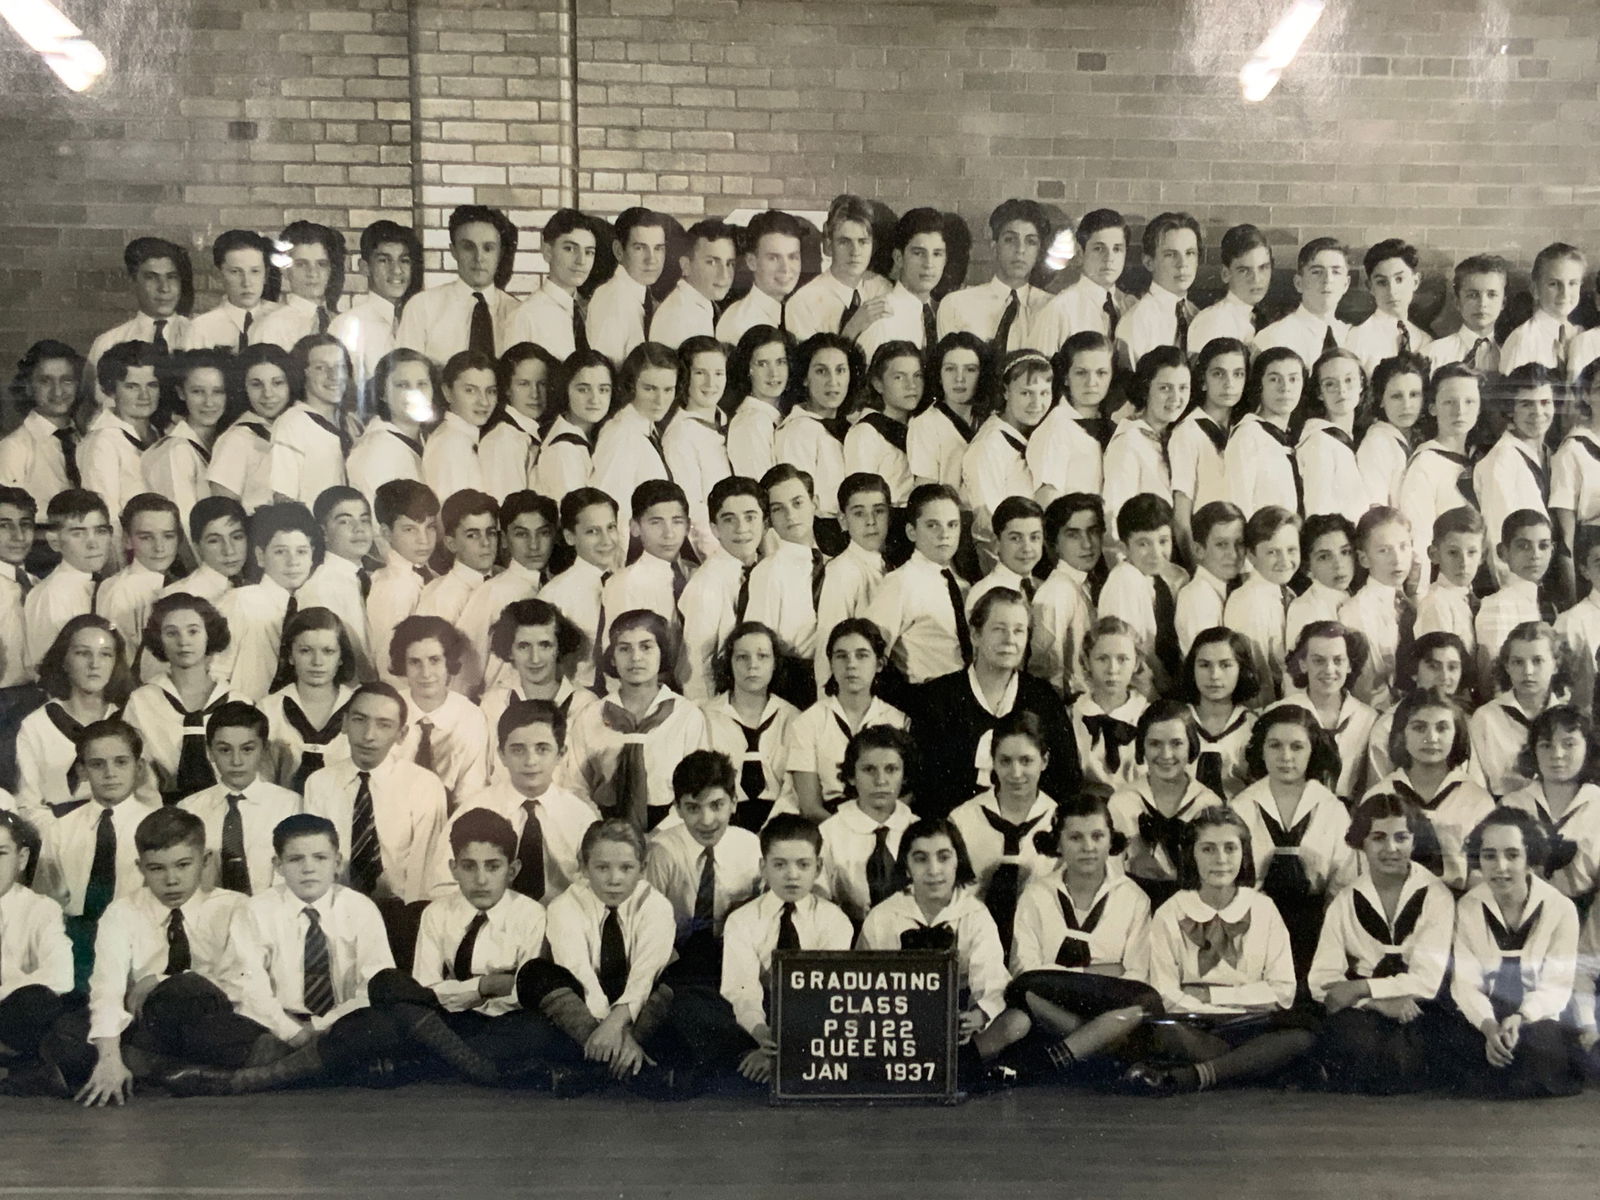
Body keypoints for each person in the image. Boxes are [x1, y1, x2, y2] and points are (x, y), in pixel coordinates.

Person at [44, 808, 250, 1107]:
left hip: (208, 1021)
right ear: (140, 867)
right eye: (156, 868)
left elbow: (238, 985)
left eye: (183, 865)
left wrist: (160, 982)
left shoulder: (234, 907)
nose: (171, 879)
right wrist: (109, 1059)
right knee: (67, 1034)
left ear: (205, 861)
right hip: (145, 1024)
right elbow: (107, 990)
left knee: (185, 991)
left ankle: (153, 1067)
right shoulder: (122, 912)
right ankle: (170, 1071)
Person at [1121, 806, 1313, 1096]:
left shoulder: (1263, 909)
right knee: (1161, 1031)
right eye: (1208, 849)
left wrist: (1213, 996)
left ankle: (1196, 1075)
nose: (1220, 859)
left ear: (1243, 853)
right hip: (1193, 1023)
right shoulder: (1170, 912)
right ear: (1192, 854)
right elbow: (1164, 992)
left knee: (1302, 1036)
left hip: (1251, 1023)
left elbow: (1283, 991)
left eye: (1230, 848)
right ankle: (1249, 1066)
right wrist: (1207, 1010)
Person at [856, 817, 1029, 1087]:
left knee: (1017, 1022)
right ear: (907, 867)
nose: (934, 869)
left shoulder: (975, 914)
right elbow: (863, 982)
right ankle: (945, 1071)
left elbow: (991, 976)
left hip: (958, 1017)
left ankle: (956, 1066)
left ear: (957, 861)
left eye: (943, 857)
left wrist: (979, 1015)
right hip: (898, 1019)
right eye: (921, 859)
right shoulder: (884, 916)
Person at [514, 819, 683, 1093]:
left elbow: (645, 975)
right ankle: (629, 1065)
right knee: (534, 972)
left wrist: (617, 1025)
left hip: (638, 1009)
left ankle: (591, 1071)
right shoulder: (564, 907)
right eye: (602, 867)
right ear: (584, 867)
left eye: (626, 868)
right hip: (584, 1007)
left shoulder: (656, 906)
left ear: (642, 868)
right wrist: (612, 1032)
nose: (614, 879)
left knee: (684, 969)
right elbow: (580, 974)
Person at [1006, 793, 1161, 1083]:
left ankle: (1054, 1059)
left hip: (1113, 1006)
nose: (1088, 847)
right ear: (1059, 843)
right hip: (1053, 1005)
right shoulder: (1037, 894)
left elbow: (1138, 974)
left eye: (1097, 836)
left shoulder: (1133, 897)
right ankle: (1098, 1045)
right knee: (1024, 991)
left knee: (1144, 1004)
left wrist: (1063, 973)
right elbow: (1025, 968)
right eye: (1075, 837)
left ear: (1110, 840)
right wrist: (1098, 972)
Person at [1307, 792, 1455, 1094]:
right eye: (1378, 838)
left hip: (1421, 1003)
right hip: (1365, 1010)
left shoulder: (1436, 895)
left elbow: (1427, 980)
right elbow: (1323, 981)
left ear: (1414, 841)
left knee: (1413, 1057)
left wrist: (1361, 987)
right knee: (1356, 1046)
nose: (1391, 849)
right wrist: (1375, 1002)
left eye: (1401, 837)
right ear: (1361, 842)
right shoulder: (1345, 901)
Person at [1441, 808, 1584, 1098]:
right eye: (1490, 855)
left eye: (1512, 855)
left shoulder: (1560, 909)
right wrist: (1490, 1026)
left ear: (1530, 859)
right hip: (1487, 1015)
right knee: (1458, 1046)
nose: (1500, 867)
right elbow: (1465, 984)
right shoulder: (1468, 907)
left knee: (1541, 1049)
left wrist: (1521, 1017)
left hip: (1537, 1018)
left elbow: (1556, 987)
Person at [907, 588, 1079, 818]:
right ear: (975, 635)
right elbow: (924, 788)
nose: (1009, 640)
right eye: (998, 629)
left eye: (1018, 631)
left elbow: (1066, 781)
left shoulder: (1043, 698)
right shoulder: (936, 698)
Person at [714, 813, 854, 1085]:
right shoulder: (742, 920)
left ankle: (777, 1063)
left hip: (815, 1019)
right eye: (779, 865)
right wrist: (763, 1036)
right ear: (763, 868)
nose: (792, 875)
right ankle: (766, 1059)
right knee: (702, 1009)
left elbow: (826, 994)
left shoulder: (835, 921)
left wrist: (786, 1045)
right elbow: (742, 990)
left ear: (818, 866)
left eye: (803, 864)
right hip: (757, 1015)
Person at [1230, 704, 1358, 974]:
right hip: (1251, 930)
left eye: (1297, 747)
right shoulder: (1240, 808)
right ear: (1261, 749)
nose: (1285, 756)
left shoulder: (1331, 809)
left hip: (1319, 932)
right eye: (1275, 745)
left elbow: (1344, 883)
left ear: (1313, 751)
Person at [560, 609, 709, 829]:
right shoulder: (591, 716)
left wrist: (661, 836)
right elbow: (575, 785)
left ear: (662, 652)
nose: (635, 658)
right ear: (612, 657)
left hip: (669, 831)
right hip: (603, 830)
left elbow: (698, 788)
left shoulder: (687, 717)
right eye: (624, 648)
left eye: (646, 647)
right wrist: (602, 832)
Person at [452, 698, 598, 905]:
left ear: (561, 754)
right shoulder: (474, 810)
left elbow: (593, 887)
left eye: (542, 749)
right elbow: (444, 884)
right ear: (502, 755)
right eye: (518, 750)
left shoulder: (580, 816)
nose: (530, 761)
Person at [948, 710, 1062, 954]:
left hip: (1040, 948)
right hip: (973, 948)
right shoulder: (963, 819)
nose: (1016, 773)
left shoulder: (1061, 822)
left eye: (1026, 761)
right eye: (1005, 761)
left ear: (1045, 761)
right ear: (993, 761)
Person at [645, 750, 761, 984]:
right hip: (675, 963)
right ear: (677, 808)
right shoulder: (662, 852)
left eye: (717, 805)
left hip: (736, 961)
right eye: (693, 808)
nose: (707, 820)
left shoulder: (751, 847)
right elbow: (647, 925)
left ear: (734, 803)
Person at [1367, 688, 1495, 891]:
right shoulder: (1380, 795)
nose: (1431, 738)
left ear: (1457, 734)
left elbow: (1484, 876)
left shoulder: (1478, 801)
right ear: (1401, 734)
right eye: (1419, 728)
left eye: (1442, 728)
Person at [787, 618, 908, 822]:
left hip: (884, 823)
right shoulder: (809, 722)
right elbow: (810, 806)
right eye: (841, 656)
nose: (851, 664)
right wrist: (845, 833)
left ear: (879, 664)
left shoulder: (898, 720)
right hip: (828, 824)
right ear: (831, 663)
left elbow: (906, 794)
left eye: (862, 656)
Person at [1107, 701, 1224, 909]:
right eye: (1155, 744)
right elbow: (1111, 879)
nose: (1166, 755)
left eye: (1176, 743)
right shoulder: (1122, 802)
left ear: (1191, 745)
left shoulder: (1208, 804)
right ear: (1141, 746)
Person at [17, 616, 136, 819]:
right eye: (83, 653)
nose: (94, 664)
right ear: (63, 660)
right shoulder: (36, 726)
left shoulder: (130, 716)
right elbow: (28, 807)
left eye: (106, 654)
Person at [177, 701, 299, 896]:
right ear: (210, 752)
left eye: (247, 749)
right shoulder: (189, 809)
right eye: (225, 750)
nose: (236, 761)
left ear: (264, 750)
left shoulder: (290, 805)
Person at [122, 593, 232, 804]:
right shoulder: (141, 701)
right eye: (171, 633)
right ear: (159, 640)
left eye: (193, 631)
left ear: (209, 634)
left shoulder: (238, 702)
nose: (183, 642)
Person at [700, 622, 800, 831]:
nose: (752, 665)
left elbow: (793, 791)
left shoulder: (792, 718)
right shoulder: (705, 716)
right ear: (729, 663)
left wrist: (771, 833)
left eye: (762, 656)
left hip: (780, 824)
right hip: (723, 822)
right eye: (742, 657)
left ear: (775, 663)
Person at [214, 502, 317, 703]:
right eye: (280, 551)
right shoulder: (241, 601)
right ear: (261, 556)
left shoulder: (310, 607)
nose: (293, 561)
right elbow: (214, 672)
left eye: (302, 551)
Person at [819, 725, 918, 924]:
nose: (880, 780)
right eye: (869, 769)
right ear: (851, 776)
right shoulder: (828, 833)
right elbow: (818, 901)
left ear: (904, 775)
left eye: (891, 769)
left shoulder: (919, 830)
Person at [396, 204, 519, 364]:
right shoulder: (422, 308)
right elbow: (404, 375)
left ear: (500, 253)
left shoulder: (517, 313)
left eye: (488, 248)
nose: (478, 258)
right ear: (453, 251)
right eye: (468, 247)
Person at [0, 810, 72, 1080]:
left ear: (22, 859)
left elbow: (61, 978)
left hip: (11, 1017)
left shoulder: (42, 909)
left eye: (0, 854)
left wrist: (7, 980)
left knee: (39, 1002)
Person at [389, 614, 491, 804]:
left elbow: (471, 790)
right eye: (414, 662)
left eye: (434, 660)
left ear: (449, 662)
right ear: (403, 665)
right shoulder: (388, 708)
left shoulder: (470, 717)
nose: (426, 674)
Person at [260, 606, 356, 794]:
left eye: (328, 651)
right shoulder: (269, 708)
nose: (317, 662)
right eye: (305, 651)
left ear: (341, 657)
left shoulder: (357, 706)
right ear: (290, 656)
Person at [328, 219, 421, 400]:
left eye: (404, 260)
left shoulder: (419, 318)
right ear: (365, 268)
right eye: (384, 260)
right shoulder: (347, 325)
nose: (396, 270)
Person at [505, 208, 600, 360]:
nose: (581, 261)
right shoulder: (526, 316)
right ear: (548, 251)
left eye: (589, 252)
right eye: (569, 249)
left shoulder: (593, 311)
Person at [0, 340, 84, 513]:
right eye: (45, 381)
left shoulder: (85, 439)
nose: (58, 391)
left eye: (67, 381)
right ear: (29, 387)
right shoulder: (14, 448)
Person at [208, 344, 291, 513]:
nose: (268, 394)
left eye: (277, 383)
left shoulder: (294, 428)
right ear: (243, 388)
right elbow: (223, 512)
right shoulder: (236, 440)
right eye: (256, 384)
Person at [346, 349, 434, 505]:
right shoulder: (376, 450)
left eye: (422, 384)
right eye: (402, 385)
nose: (415, 394)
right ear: (383, 394)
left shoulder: (424, 440)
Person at [1069, 616, 1148, 790]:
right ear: (1087, 662)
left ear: (1136, 663)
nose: (1112, 669)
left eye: (1122, 659)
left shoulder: (1148, 716)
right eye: (1102, 659)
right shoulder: (1070, 714)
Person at [587, 207, 671, 365]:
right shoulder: (612, 300)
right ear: (619, 251)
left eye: (658, 248)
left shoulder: (640, 295)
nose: (652, 259)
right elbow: (606, 376)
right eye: (640, 248)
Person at [250, 221, 344, 351]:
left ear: (330, 269)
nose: (312, 273)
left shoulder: (342, 323)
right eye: (301, 264)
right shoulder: (272, 327)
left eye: (321, 264)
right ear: (285, 270)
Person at [647, 218, 737, 350]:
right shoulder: (680, 317)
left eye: (729, 264)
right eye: (711, 262)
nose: (724, 274)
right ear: (686, 266)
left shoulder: (701, 305)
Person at [1345, 238, 1432, 370]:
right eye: (1382, 282)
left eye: (1399, 279)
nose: (1392, 290)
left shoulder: (1425, 340)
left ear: (1415, 282)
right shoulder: (1357, 338)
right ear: (1370, 287)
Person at [187, 228, 280, 352]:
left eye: (255, 271)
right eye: (235, 272)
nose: (246, 282)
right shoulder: (201, 329)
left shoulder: (284, 321)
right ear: (218, 275)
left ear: (266, 275)